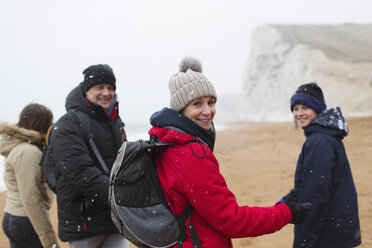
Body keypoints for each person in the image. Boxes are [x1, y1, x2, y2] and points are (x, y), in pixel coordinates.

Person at [148, 57, 312, 248]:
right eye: (197, 104)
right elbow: (231, 220)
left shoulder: (165, 143)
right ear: (180, 110)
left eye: (211, 102)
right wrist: (286, 213)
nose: (208, 111)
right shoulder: (190, 154)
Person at [51, 64, 128, 248]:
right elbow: (79, 172)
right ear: (86, 91)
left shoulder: (116, 122)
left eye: (110, 88)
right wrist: (118, 194)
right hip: (84, 222)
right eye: (99, 87)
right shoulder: (68, 124)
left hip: (115, 219)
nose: (106, 93)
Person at [290, 82, 361, 247]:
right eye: (295, 109)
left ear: (317, 108)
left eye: (305, 108)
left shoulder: (319, 141)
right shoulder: (326, 134)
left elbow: (315, 195)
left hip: (328, 233)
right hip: (338, 228)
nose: (299, 113)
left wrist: (304, 241)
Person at [0, 103, 59, 248]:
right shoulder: (28, 152)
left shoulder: (22, 147)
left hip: (15, 217)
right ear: (41, 124)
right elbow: (31, 198)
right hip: (25, 221)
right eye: (49, 121)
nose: (52, 125)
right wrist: (49, 241)